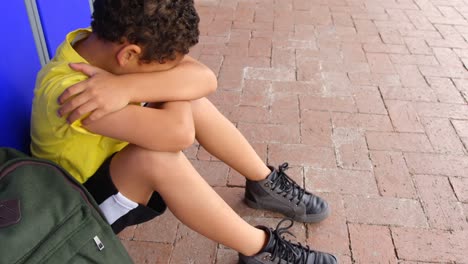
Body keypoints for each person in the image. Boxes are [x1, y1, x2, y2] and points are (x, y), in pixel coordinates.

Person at [30, 0, 337, 263]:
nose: (169, 68)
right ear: (129, 54)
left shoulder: (96, 45)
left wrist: (129, 85)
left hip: (109, 167)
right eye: (164, 63)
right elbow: (179, 134)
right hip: (77, 211)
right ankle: (261, 249)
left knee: (192, 101)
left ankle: (263, 184)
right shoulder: (75, 95)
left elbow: (205, 78)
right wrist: (168, 85)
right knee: (156, 157)